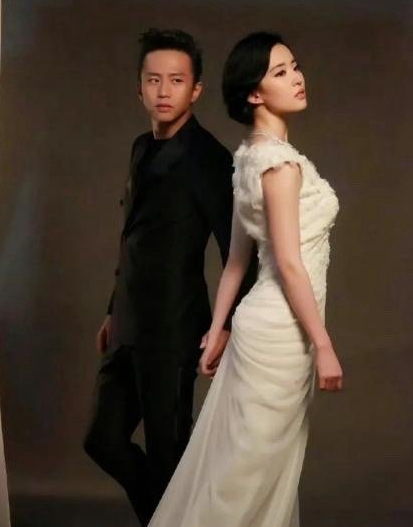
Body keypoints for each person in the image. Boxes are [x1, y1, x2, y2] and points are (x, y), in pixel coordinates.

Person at [147, 31, 343, 527]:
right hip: (282, 335)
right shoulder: (279, 165)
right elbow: (289, 263)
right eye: (279, 72)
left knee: (245, 468)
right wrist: (322, 343)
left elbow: (237, 260)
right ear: (255, 93)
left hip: (260, 327)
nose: (296, 78)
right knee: (249, 474)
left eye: (294, 66)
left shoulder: (248, 156)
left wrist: (218, 329)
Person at [83, 29, 256, 527]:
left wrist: (225, 326)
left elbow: (241, 252)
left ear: (195, 89)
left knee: (168, 454)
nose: (163, 91)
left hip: (174, 330)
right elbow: (134, 238)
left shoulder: (209, 159)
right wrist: (113, 310)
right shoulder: (141, 147)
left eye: (176, 81)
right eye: (153, 80)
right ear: (139, 87)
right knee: (103, 440)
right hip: (128, 325)